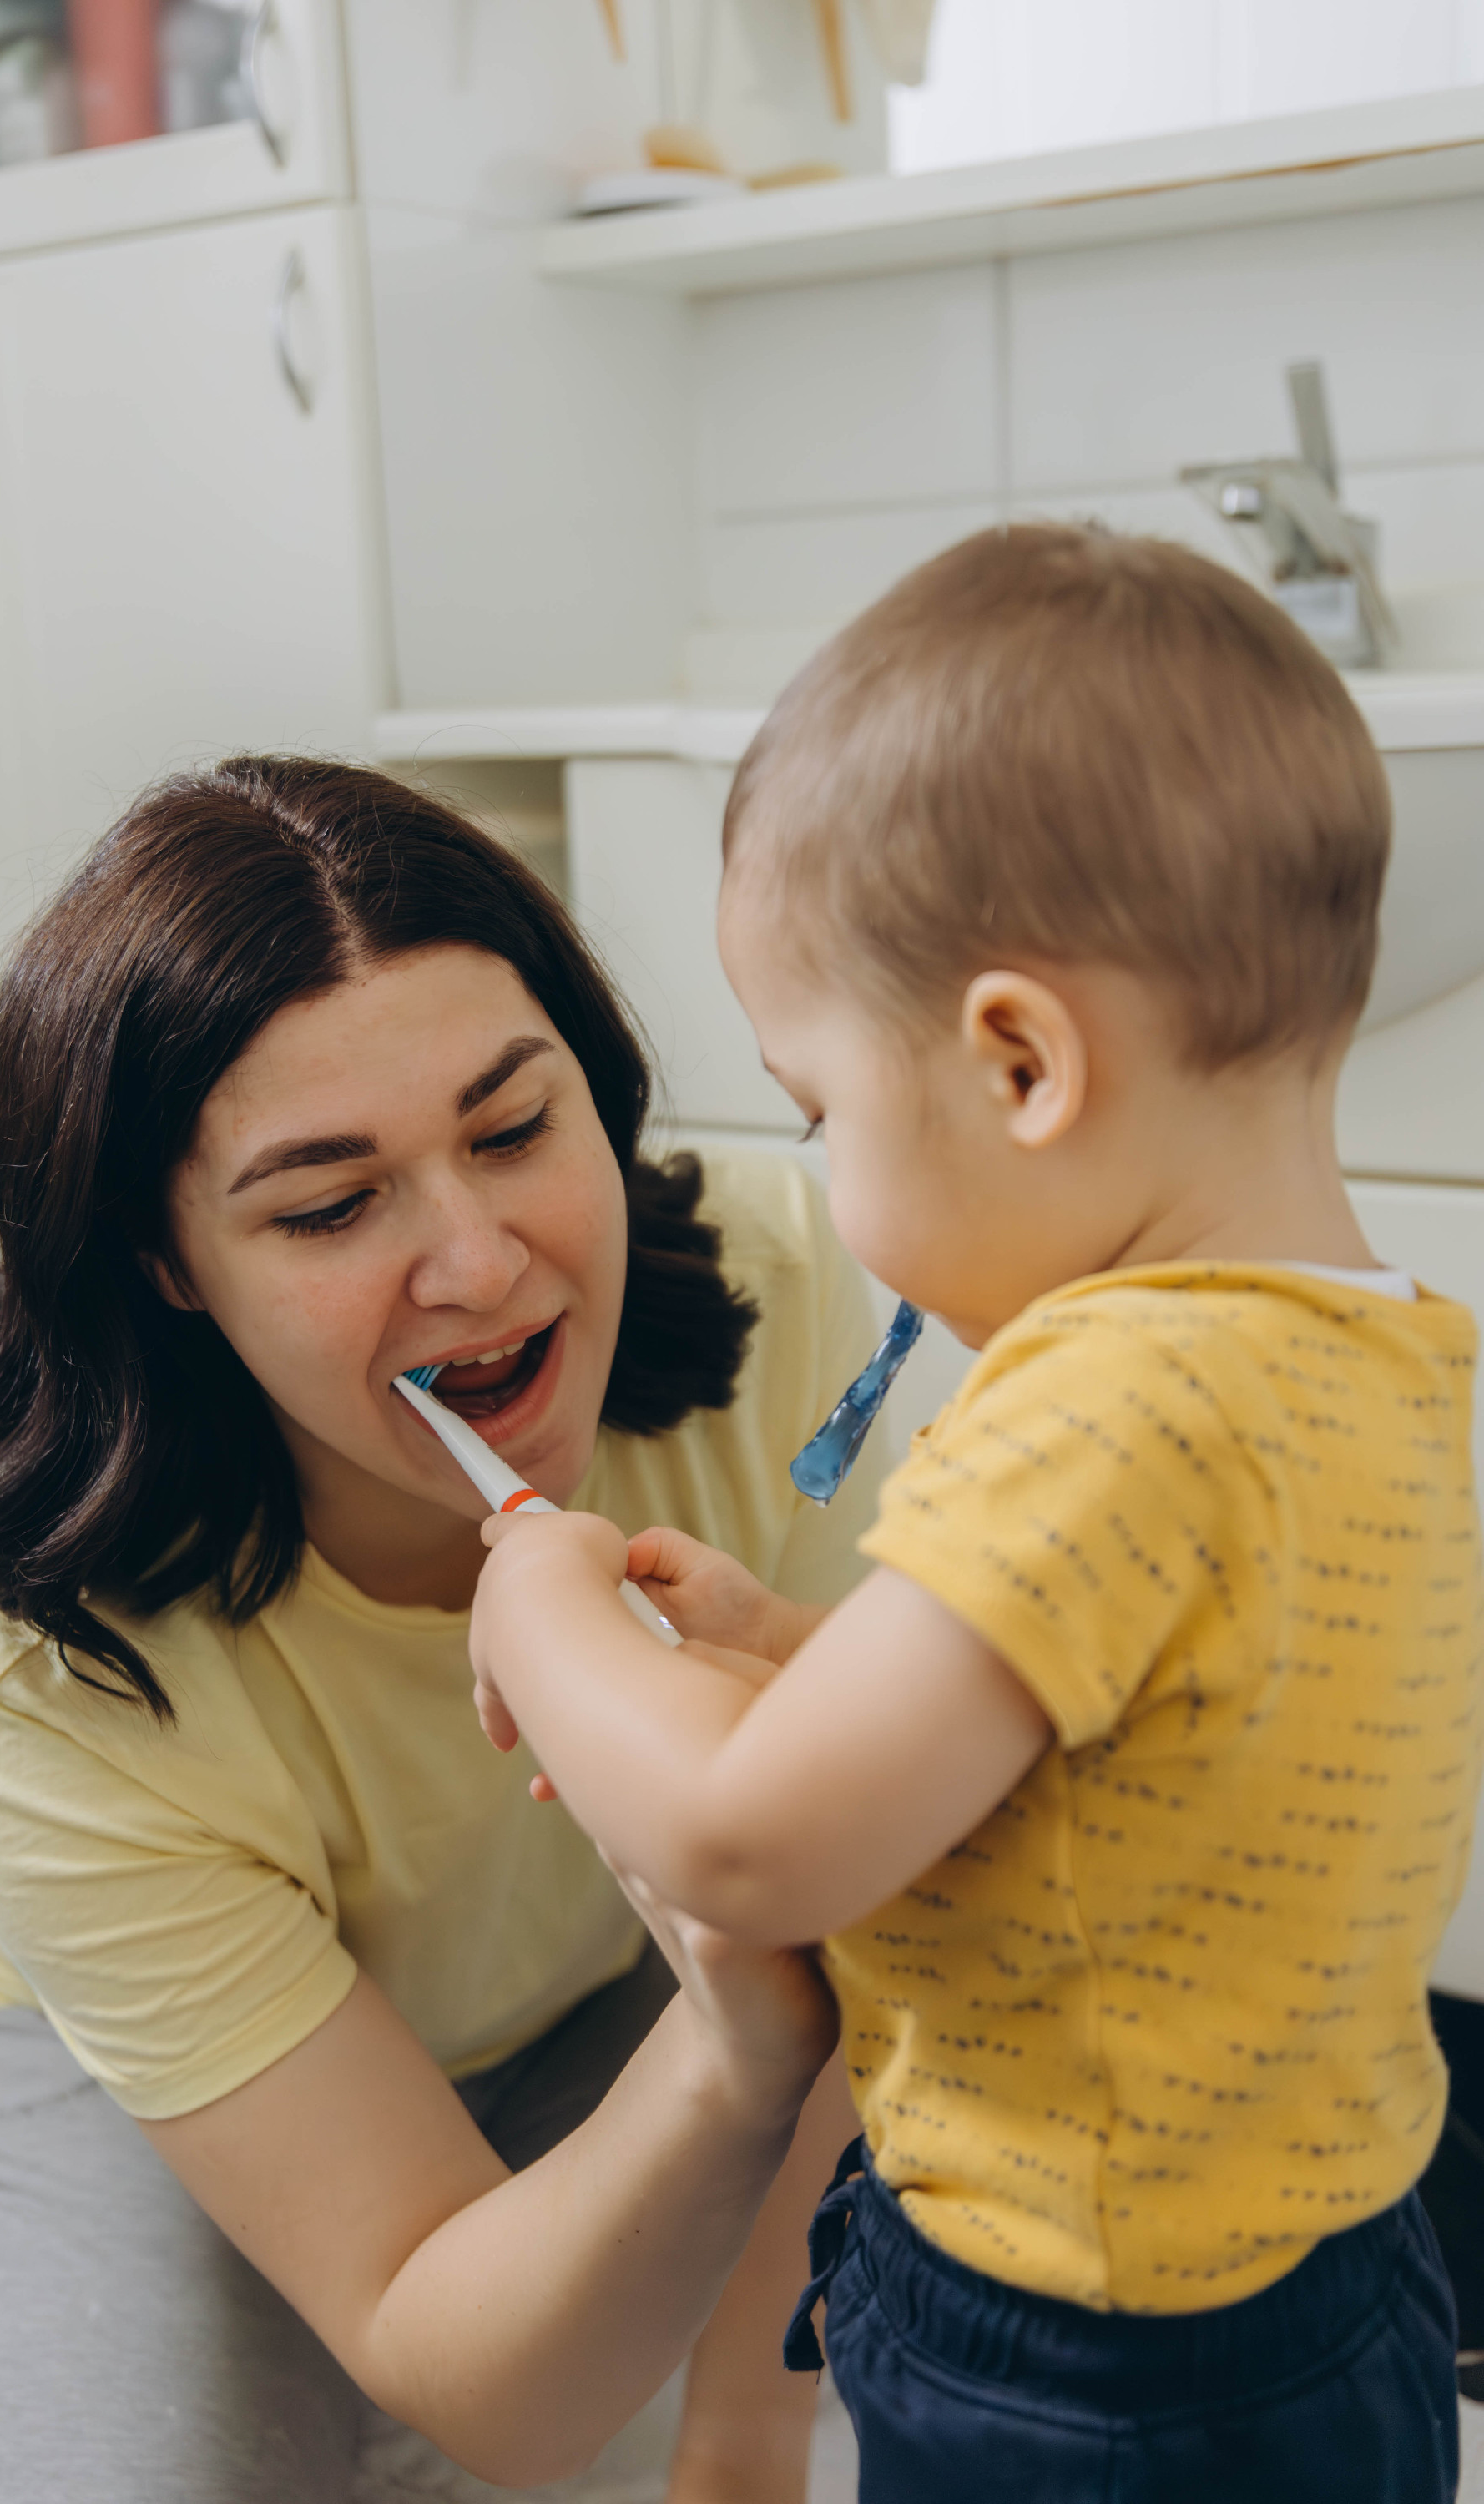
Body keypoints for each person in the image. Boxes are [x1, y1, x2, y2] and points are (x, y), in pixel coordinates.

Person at [466, 526, 1484, 2504]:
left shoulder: (1101, 1402)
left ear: (1019, 1060)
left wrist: (538, 1603)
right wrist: (812, 1658)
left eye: (823, 1106)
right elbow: (1146, 1742)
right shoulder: (1379, 1357)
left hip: (1083, 2359)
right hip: (1336, 2281)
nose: (823, 1168)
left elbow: (748, 1848)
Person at [0, 757, 887, 2504]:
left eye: (515, 1127)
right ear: (166, 1260)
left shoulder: (790, 1287)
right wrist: (736, 2042)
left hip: (573, 2005)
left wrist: (743, 2443)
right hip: (102, 2081)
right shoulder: (33, 1671)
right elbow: (501, 2404)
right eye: (330, 1204)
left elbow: (859, 1915)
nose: (476, 1262)